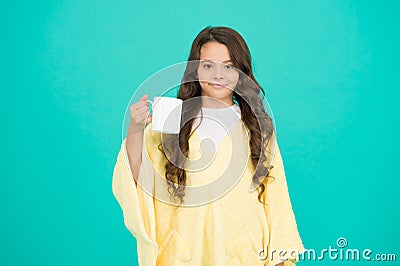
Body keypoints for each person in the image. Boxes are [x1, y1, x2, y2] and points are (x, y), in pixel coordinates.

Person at [112, 26, 305, 265]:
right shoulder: (173, 117)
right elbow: (139, 175)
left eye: (229, 66)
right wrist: (135, 129)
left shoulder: (257, 126)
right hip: (185, 249)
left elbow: (276, 198)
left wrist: (279, 258)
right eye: (208, 66)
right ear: (195, 69)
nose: (218, 75)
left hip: (244, 250)